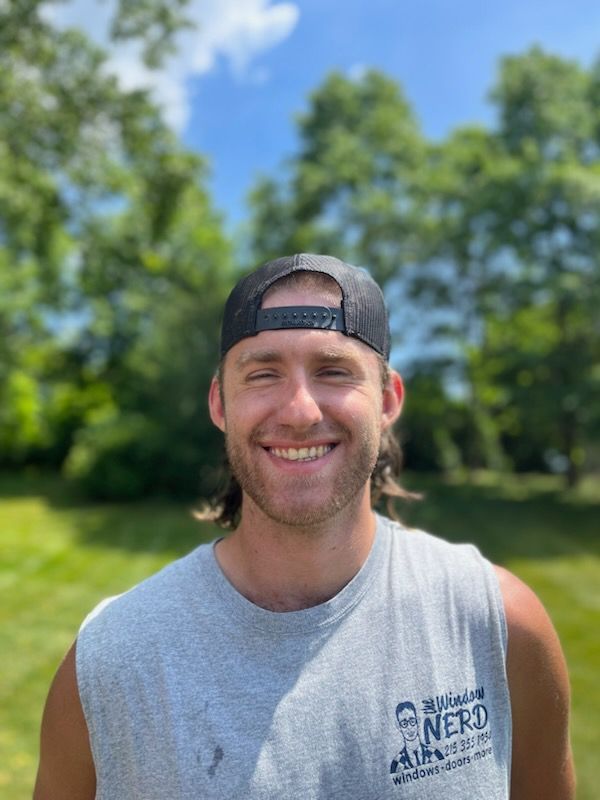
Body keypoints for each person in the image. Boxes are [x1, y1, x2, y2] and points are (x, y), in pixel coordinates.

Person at [34, 253, 575, 799]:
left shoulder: (500, 626)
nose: (299, 410)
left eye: (334, 371)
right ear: (221, 402)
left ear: (388, 400)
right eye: (263, 374)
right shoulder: (110, 661)